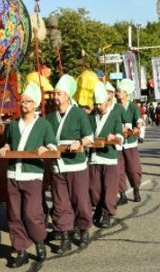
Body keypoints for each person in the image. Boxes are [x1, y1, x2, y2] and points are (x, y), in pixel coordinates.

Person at [0, 82, 57, 268]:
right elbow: (7, 142)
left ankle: (39, 242)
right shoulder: (13, 125)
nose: (23, 104)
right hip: (13, 174)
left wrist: (45, 148)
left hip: (32, 175)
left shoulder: (43, 124)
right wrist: (6, 147)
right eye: (22, 101)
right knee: (14, 214)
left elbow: (52, 145)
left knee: (31, 213)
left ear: (35, 104)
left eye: (27, 101)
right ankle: (20, 250)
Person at [46, 74, 94, 253]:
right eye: (55, 94)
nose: (56, 97)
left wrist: (80, 143)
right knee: (60, 203)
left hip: (76, 165)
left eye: (59, 93)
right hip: (57, 165)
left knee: (80, 200)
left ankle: (83, 230)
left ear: (67, 95)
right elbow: (46, 138)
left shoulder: (79, 113)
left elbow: (89, 137)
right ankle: (64, 237)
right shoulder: (50, 117)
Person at [88, 83, 124, 228]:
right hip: (95, 157)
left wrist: (114, 136)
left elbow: (120, 135)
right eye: (96, 104)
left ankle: (107, 214)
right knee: (94, 189)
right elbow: (87, 132)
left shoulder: (114, 115)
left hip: (109, 157)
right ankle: (98, 208)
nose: (98, 106)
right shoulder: (92, 116)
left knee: (109, 188)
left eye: (100, 104)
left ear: (107, 102)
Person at [116, 79, 143, 203]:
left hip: (130, 141)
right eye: (117, 91)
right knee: (119, 169)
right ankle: (122, 194)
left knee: (133, 168)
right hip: (117, 142)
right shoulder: (114, 106)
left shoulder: (133, 106)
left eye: (119, 91)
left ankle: (136, 189)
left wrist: (137, 127)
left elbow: (138, 120)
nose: (117, 93)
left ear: (126, 93)